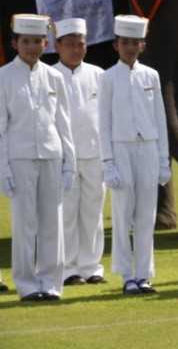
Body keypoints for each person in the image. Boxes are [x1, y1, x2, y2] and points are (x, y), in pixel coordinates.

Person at [0, 14, 75, 302]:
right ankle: (27, 284)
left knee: (51, 223)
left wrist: (70, 164)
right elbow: (2, 128)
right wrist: (3, 168)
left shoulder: (55, 76)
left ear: (46, 43)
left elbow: (63, 123)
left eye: (37, 41)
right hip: (19, 158)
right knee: (24, 223)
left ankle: (51, 283)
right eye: (26, 41)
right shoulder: (4, 77)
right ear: (15, 43)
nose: (32, 47)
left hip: (51, 155)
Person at [100, 15, 170, 295]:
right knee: (123, 212)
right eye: (124, 42)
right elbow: (103, 121)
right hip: (121, 146)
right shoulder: (108, 78)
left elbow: (160, 118)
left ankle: (143, 274)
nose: (129, 47)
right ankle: (126, 274)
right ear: (116, 45)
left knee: (146, 215)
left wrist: (164, 160)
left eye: (134, 42)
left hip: (148, 147)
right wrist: (108, 162)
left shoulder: (150, 75)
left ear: (142, 45)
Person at [53, 18, 107, 286]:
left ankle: (91, 266)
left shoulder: (99, 75)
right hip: (63, 157)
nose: (75, 49)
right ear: (57, 46)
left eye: (80, 44)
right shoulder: (50, 75)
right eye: (70, 44)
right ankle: (68, 268)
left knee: (93, 212)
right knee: (67, 213)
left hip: (95, 154)